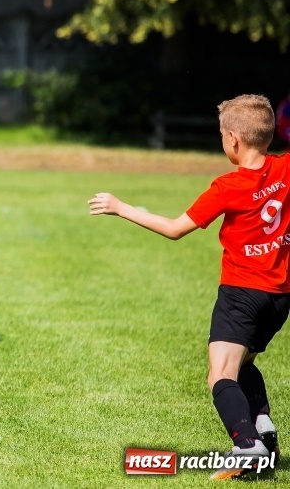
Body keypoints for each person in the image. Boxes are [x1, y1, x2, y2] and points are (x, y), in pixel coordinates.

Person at [88, 94, 289, 480]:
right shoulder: (287, 169)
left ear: (233, 139)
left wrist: (120, 207)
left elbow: (176, 229)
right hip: (280, 297)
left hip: (241, 294)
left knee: (221, 375)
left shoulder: (227, 186)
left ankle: (246, 446)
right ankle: (263, 426)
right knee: (245, 361)